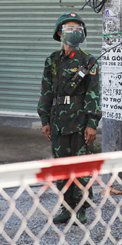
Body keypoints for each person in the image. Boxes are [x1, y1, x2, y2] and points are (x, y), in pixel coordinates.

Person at [37, 12, 101, 225]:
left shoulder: (88, 61)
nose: (74, 32)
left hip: (80, 121)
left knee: (81, 167)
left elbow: (93, 94)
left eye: (77, 29)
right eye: (69, 28)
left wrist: (92, 123)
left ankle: (81, 208)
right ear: (59, 33)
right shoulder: (52, 61)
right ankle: (66, 207)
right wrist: (44, 119)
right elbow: (46, 92)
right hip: (58, 122)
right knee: (62, 167)